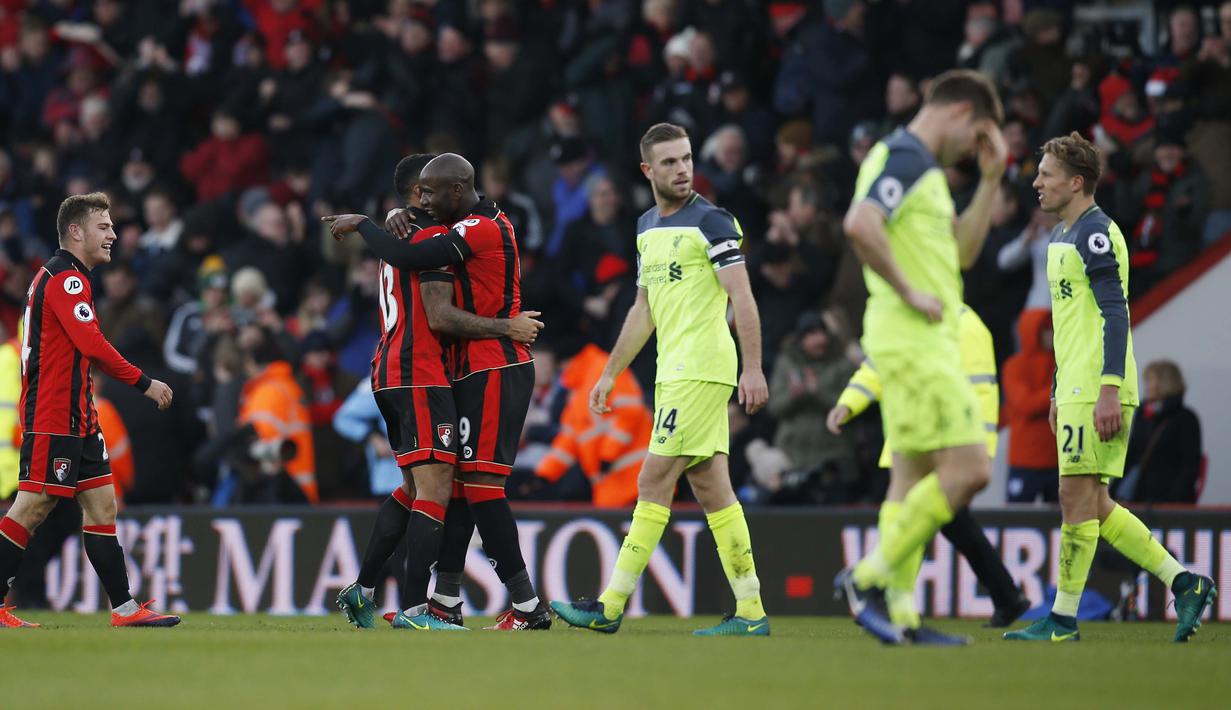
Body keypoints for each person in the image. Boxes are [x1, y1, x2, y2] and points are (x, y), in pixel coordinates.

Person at [551, 122, 772, 637]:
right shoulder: (647, 225)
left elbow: (742, 297)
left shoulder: (714, 222)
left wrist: (753, 367)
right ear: (648, 170)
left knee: (651, 480)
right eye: (670, 162)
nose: (683, 169)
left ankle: (608, 606)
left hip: (699, 369)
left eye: (687, 158)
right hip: (671, 372)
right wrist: (610, 373)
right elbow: (643, 309)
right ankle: (751, 610)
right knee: (712, 487)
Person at [1003, 133, 1216, 643]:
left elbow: (1116, 314)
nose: (1036, 183)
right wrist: (1057, 387)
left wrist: (1107, 388)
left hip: (1098, 385)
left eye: (1047, 174)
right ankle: (1184, 581)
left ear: (1076, 182)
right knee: (1094, 502)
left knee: (1074, 497)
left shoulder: (1096, 234)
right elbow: (1069, 324)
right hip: (1074, 385)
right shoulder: (1060, 237)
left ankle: (1063, 620)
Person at [325, 152, 550, 631]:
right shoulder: (427, 236)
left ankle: (392, 594)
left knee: (436, 487)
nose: (426, 198)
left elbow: (412, 267)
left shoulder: (449, 232)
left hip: (414, 368)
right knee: (446, 487)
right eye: (421, 191)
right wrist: (508, 325)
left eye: (433, 190)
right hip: (427, 370)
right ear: (415, 196)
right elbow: (439, 316)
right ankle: (422, 608)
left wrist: (374, 224)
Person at [835, 70, 1008, 646]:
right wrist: (909, 291)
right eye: (977, 138)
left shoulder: (925, 174)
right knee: (971, 470)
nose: (972, 151)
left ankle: (902, 619)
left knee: (909, 484)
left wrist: (990, 181)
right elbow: (860, 223)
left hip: (915, 343)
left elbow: (962, 253)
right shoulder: (906, 157)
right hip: (915, 342)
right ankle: (865, 579)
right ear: (961, 113)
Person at [0, 192, 178, 629]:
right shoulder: (66, 278)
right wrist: (145, 382)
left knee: (102, 509)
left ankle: (124, 609)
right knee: (31, 508)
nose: (113, 235)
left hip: (78, 417)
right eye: (104, 227)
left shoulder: (63, 276)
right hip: (54, 415)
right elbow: (92, 345)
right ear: (75, 232)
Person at [828, 305, 1030, 629]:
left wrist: (981, 449)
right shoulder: (908, 318)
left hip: (946, 443)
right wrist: (850, 401)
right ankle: (1006, 596)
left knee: (920, 518)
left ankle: (882, 591)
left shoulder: (967, 327)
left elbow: (982, 391)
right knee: (947, 523)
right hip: (911, 439)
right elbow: (878, 366)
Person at [1119, 360, 1203, 503]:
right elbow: (1132, 454)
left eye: (1150, 381)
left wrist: (1172, 502)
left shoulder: (1186, 419)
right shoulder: (1143, 414)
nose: (1146, 387)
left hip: (1169, 503)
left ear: (1165, 383)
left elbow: (1189, 466)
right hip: (1139, 498)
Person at [1001, 309, 1059, 503]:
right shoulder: (1015, 366)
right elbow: (1025, 404)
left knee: (1062, 522)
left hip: (1057, 460)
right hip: (1024, 460)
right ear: (1032, 332)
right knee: (1016, 522)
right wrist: (1059, 391)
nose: (1052, 334)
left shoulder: (1062, 364)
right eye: (1046, 330)